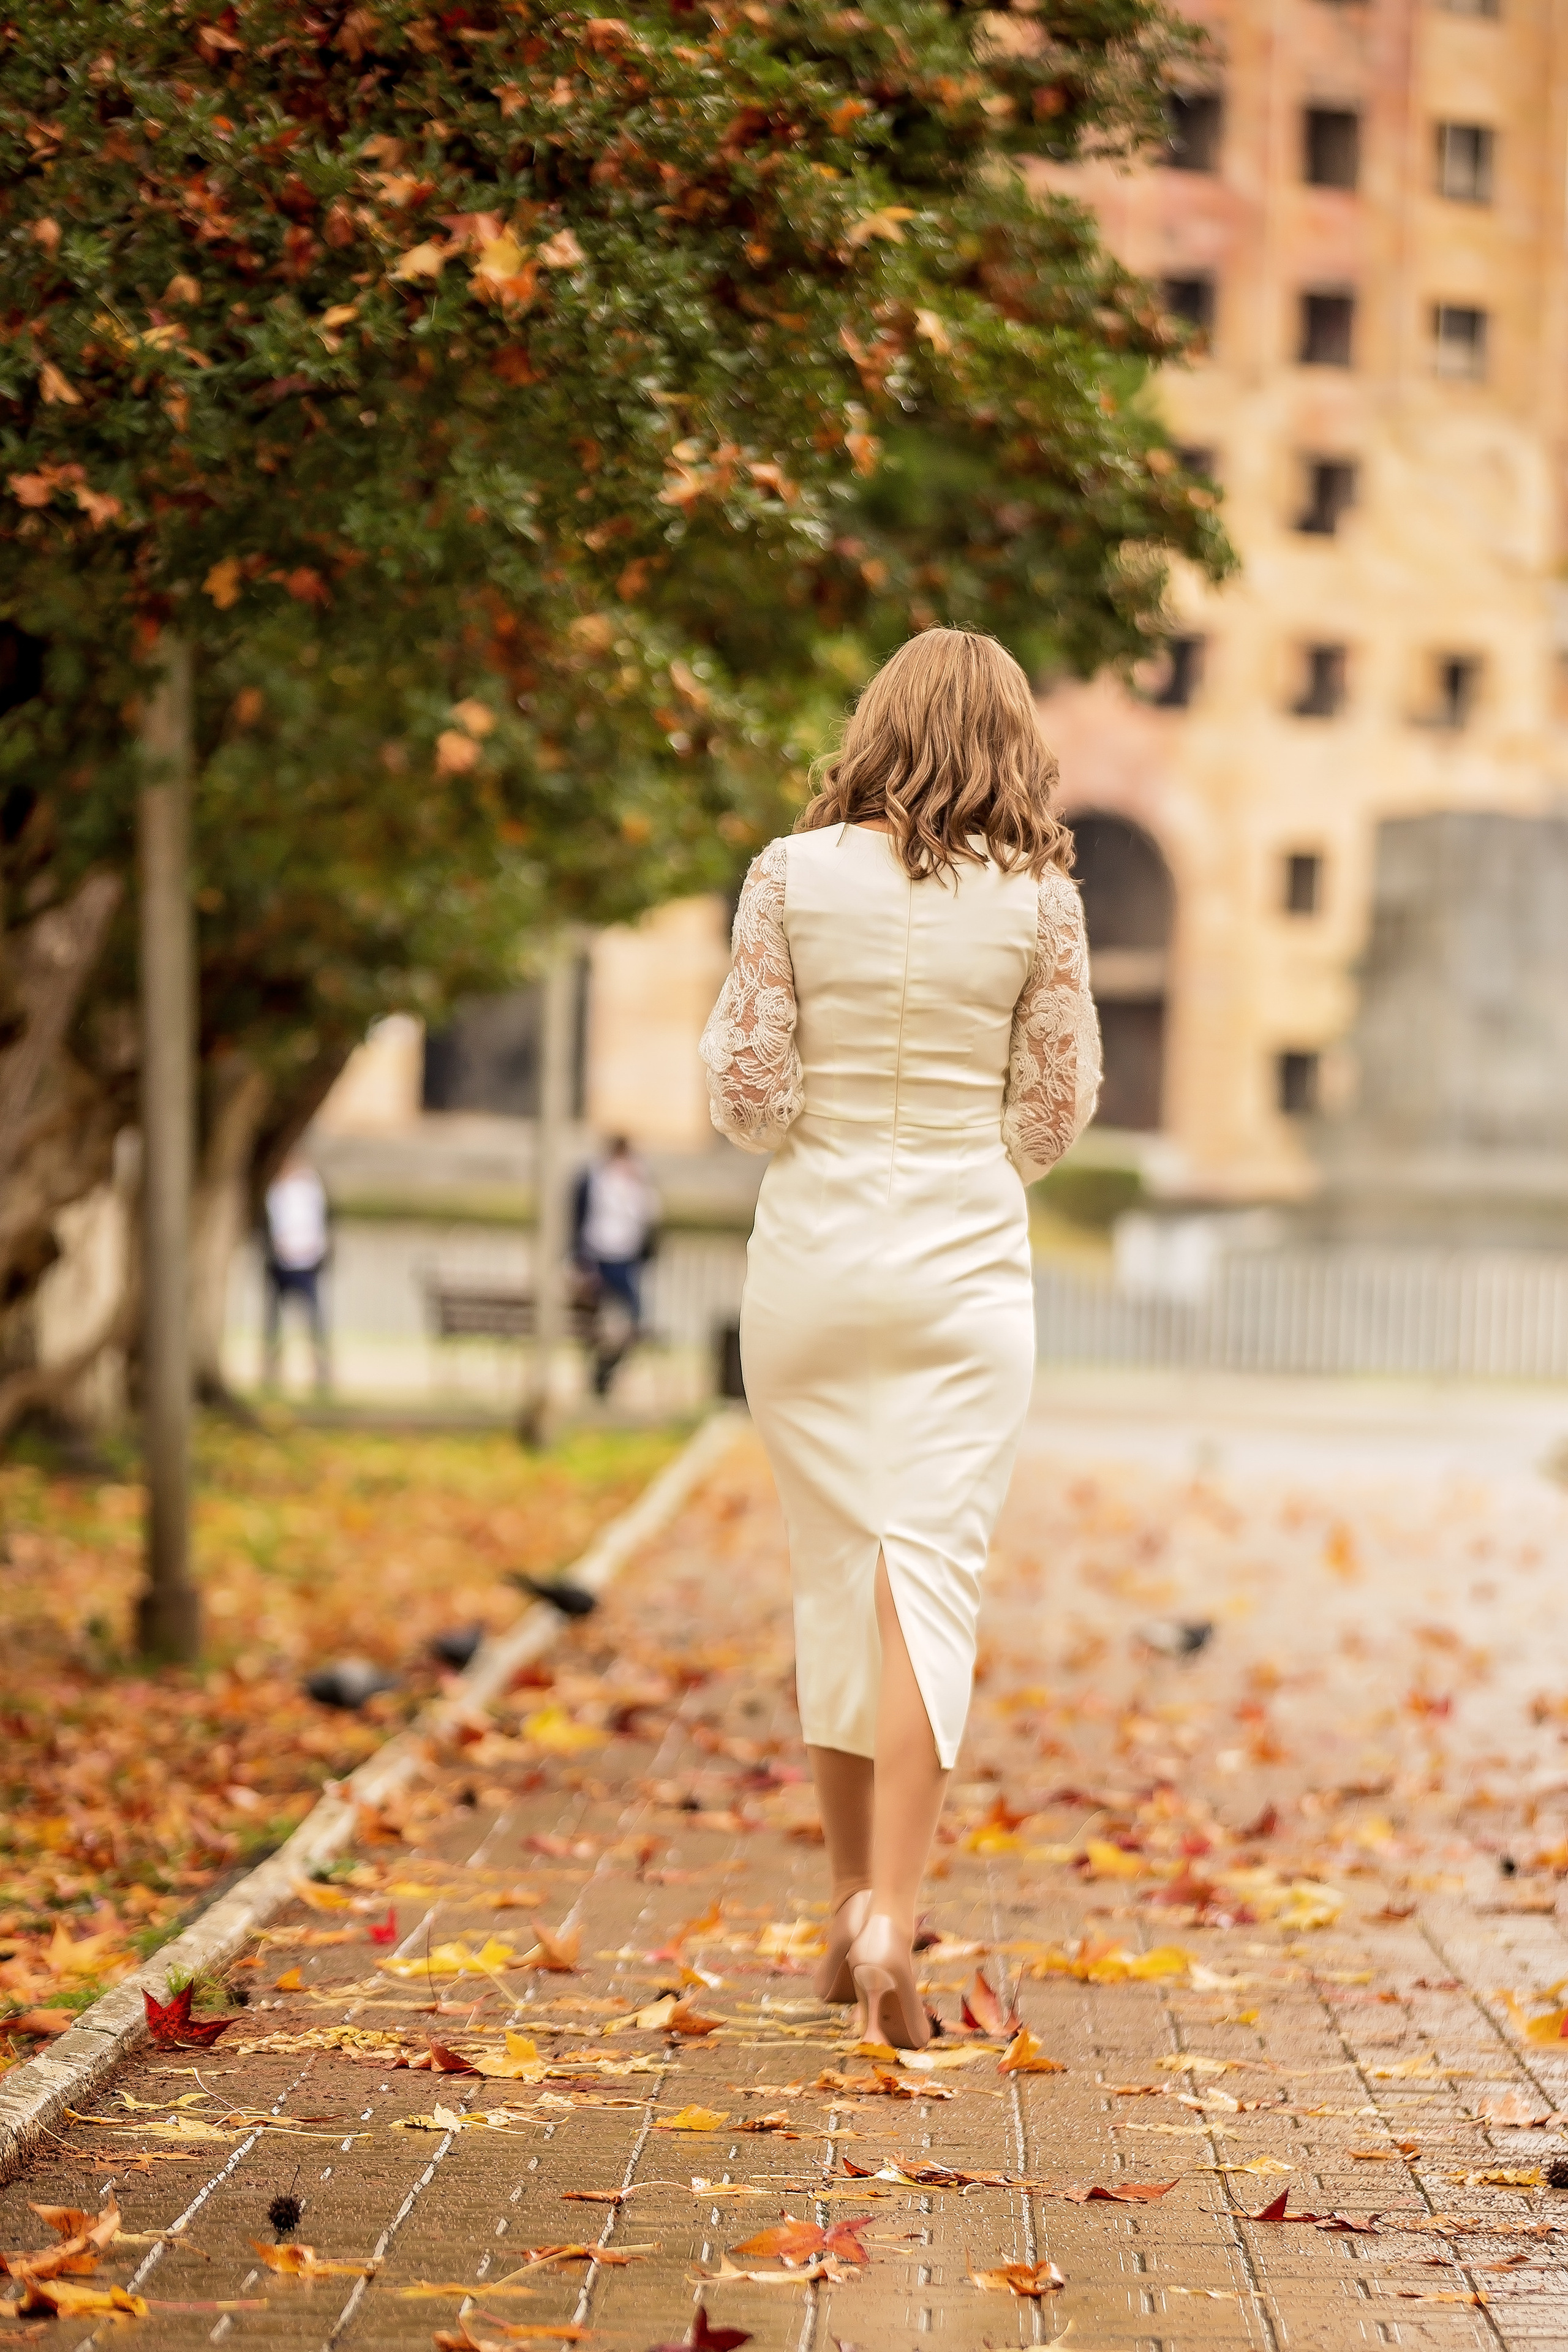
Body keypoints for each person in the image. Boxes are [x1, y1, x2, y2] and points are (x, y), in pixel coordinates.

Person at [699, 630, 1101, 2048]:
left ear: (874, 728)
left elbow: (746, 1095)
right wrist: (963, 1154)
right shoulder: (1041, 901)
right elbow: (1053, 1110)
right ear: (1011, 742)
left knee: (833, 1574)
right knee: (925, 1580)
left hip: (811, 1264)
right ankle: (890, 1917)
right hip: (962, 1271)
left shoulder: (788, 873)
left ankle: (841, 1905)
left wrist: (825, 1130)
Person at [571, 1136, 659, 1395]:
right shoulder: (594, 1178)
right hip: (598, 1257)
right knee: (595, 1320)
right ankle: (600, 1370)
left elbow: (648, 1216)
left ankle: (607, 1367)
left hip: (624, 1258)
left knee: (633, 1318)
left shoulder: (637, 1181)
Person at [263, 1155, 331, 1393]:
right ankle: (271, 1370)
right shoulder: (274, 1189)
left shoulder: (312, 1187)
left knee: (315, 1320)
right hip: (280, 1263)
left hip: (308, 1263)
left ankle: (321, 1370)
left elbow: (323, 1222)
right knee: (274, 1322)